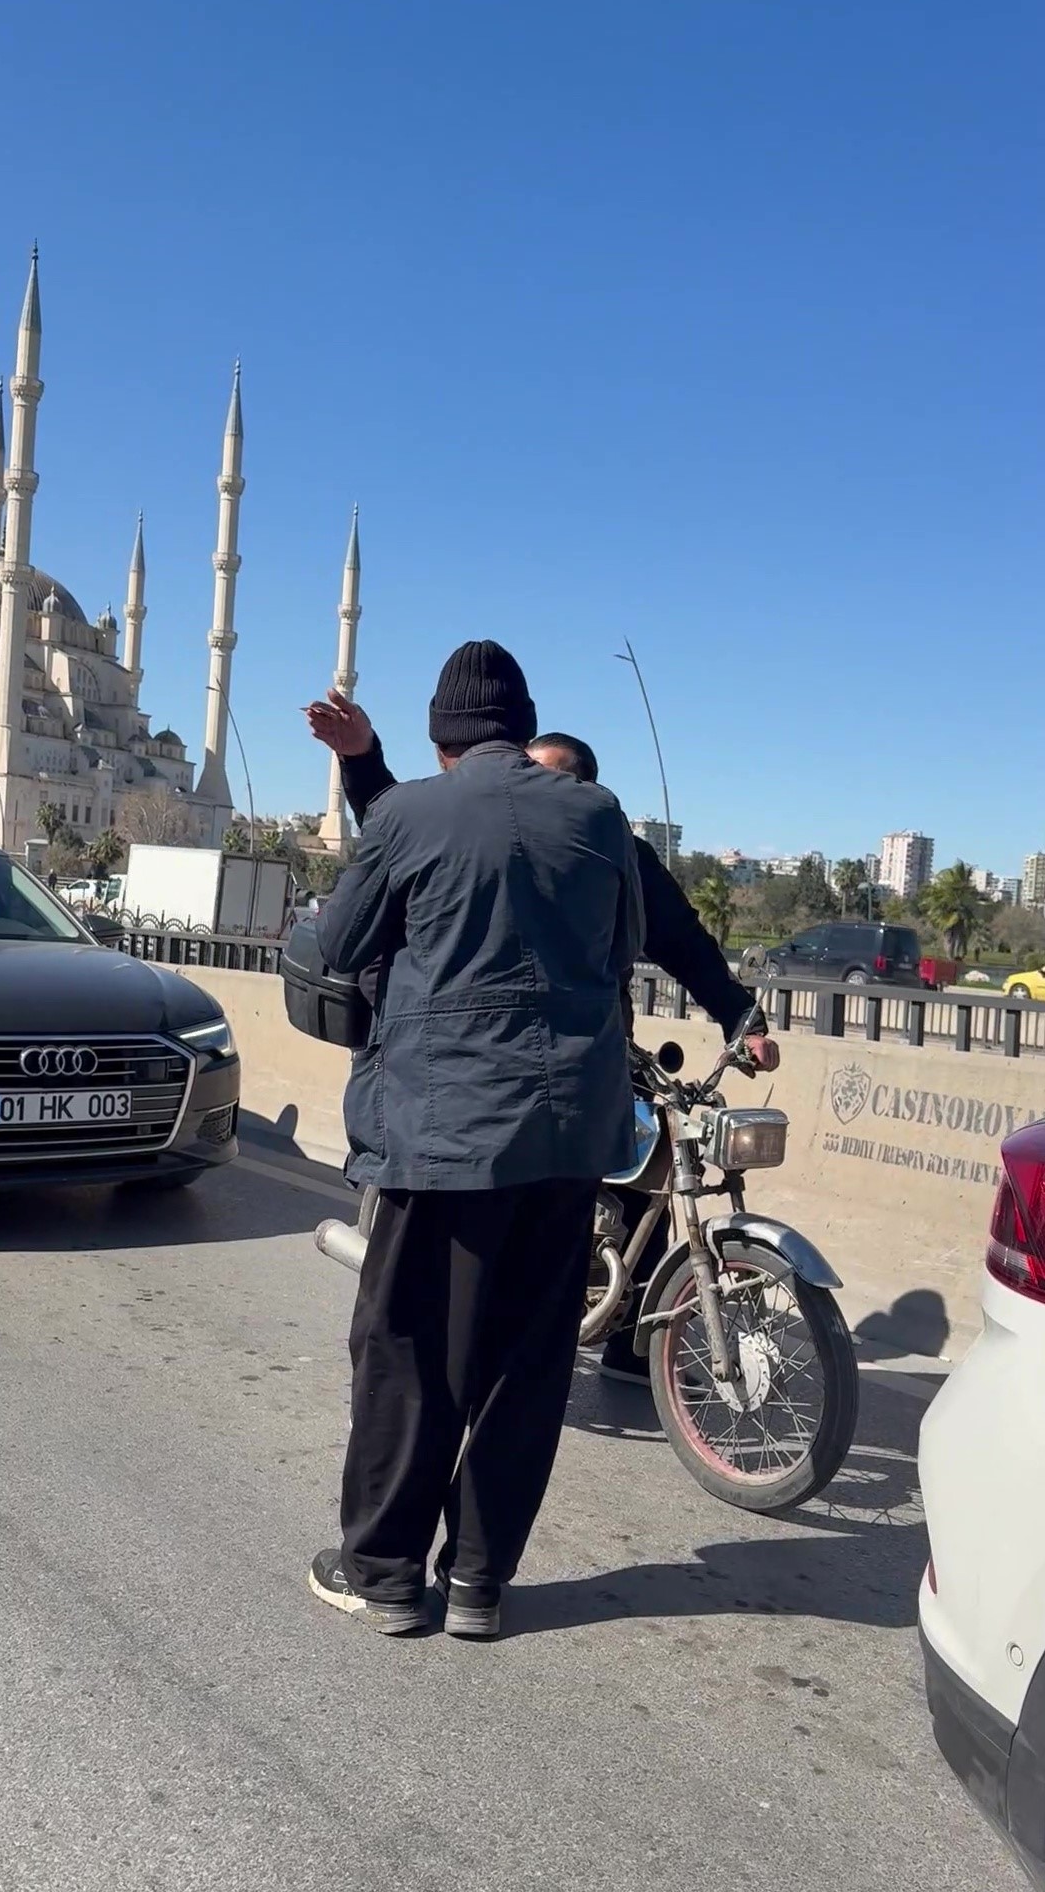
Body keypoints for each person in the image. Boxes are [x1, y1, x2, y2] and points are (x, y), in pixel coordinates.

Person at [305, 642, 643, 1640]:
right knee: (525, 1361)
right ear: (520, 722)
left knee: (409, 1348)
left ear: (440, 737)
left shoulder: (410, 810)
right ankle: (478, 1587)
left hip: (442, 1129)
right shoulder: (599, 813)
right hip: (571, 1132)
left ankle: (382, 1572)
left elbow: (338, 945)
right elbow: (619, 953)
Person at [308, 695, 779, 1386]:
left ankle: (626, 1341)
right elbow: (403, 829)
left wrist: (742, 1018)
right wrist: (361, 759)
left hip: (586, 1055)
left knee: (641, 1164)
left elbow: (684, 941)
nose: (522, 790)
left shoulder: (610, 849)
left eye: (547, 779)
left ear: (585, 794)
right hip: (462, 1074)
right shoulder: (479, 828)